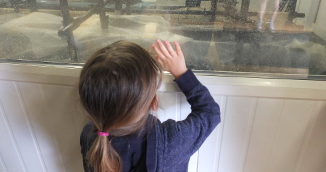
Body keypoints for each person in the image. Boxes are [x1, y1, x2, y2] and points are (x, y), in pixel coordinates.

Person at [79, 39, 221, 172]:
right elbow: (210, 112)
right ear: (154, 102)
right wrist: (182, 73)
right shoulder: (171, 141)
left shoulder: (91, 137)